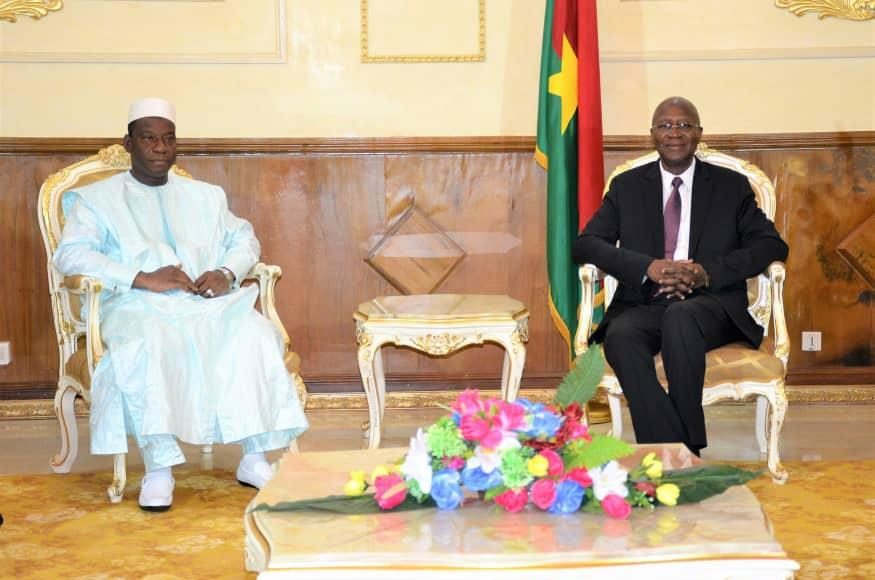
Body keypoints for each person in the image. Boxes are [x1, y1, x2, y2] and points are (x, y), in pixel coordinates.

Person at [53, 98, 309, 511]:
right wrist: (142, 277)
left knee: (254, 333)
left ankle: (254, 457)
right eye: (149, 138)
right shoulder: (97, 200)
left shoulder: (205, 196)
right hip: (135, 304)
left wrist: (226, 273)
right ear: (129, 144)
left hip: (203, 304)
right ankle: (159, 469)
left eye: (168, 139)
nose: (160, 147)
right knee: (149, 342)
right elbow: (71, 256)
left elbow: (244, 239)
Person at [572, 96, 788, 456]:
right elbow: (586, 245)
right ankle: (674, 449)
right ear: (653, 134)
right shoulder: (627, 186)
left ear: (699, 133)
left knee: (681, 316)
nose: (675, 132)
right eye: (666, 125)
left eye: (685, 125)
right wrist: (646, 267)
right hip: (645, 302)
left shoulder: (730, 186)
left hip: (712, 305)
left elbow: (771, 246)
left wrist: (706, 273)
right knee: (621, 335)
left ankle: (684, 451)